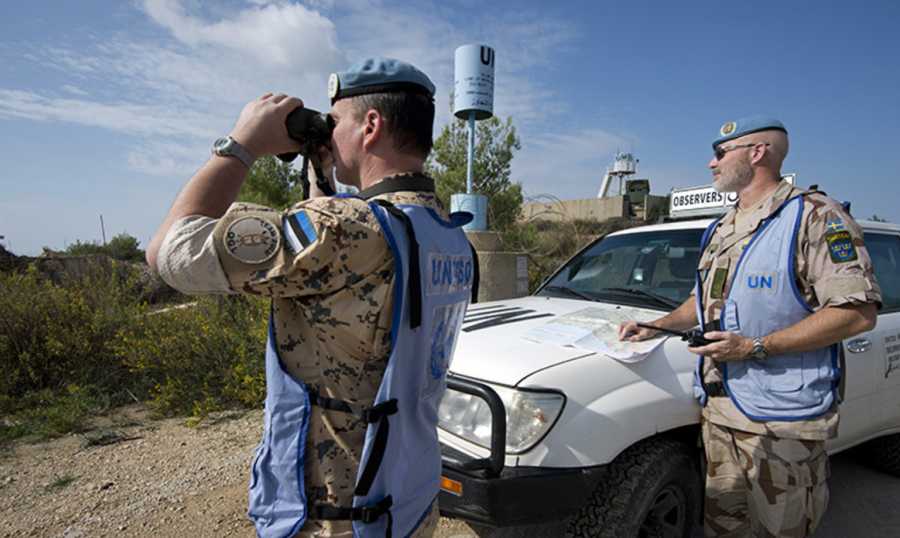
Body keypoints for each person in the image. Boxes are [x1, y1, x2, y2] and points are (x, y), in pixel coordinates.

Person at [147, 57, 476, 538]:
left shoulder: (342, 232)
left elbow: (169, 252)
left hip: (335, 518)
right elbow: (340, 268)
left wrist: (240, 145)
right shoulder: (447, 234)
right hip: (407, 503)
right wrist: (323, 170)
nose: (329, 131)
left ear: (370, 126)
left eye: (335, 121)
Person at [619, 117, 880, 537]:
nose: (710, 163)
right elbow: (703, 302)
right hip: (721, 411)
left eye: (721, 153)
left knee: (782, 529)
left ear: (757, 153)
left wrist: (755, 346)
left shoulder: (814, 217)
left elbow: (856, 312)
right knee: (724, 526)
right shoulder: (722, 227)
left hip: (782, 423)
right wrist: (657, 324)